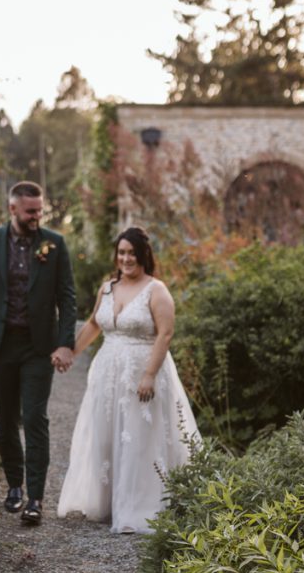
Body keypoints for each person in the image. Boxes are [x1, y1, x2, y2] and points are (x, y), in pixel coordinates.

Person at [56, 225, 198, 534]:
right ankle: (107, 501)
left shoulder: (156, 289)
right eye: (122, 252)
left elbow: (166, 333)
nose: (126, 258)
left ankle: (140, 507)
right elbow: (95, 323)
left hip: (142, 372)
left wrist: (149, 374)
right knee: (106, 436)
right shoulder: (108, 288)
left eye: (132, 253)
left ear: (143, 255)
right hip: (107, 375)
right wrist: (72, 352)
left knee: (138, 438)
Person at [0, 181, 77, 526]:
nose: (37, 216)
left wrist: (65, 342)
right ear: (12, 210)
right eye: (30, 211)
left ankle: (36, 498)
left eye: (40, 210)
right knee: (5, 417)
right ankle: (14, 485)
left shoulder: (55, 243)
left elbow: (67, 296)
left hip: (39, 347)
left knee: (35, 418)